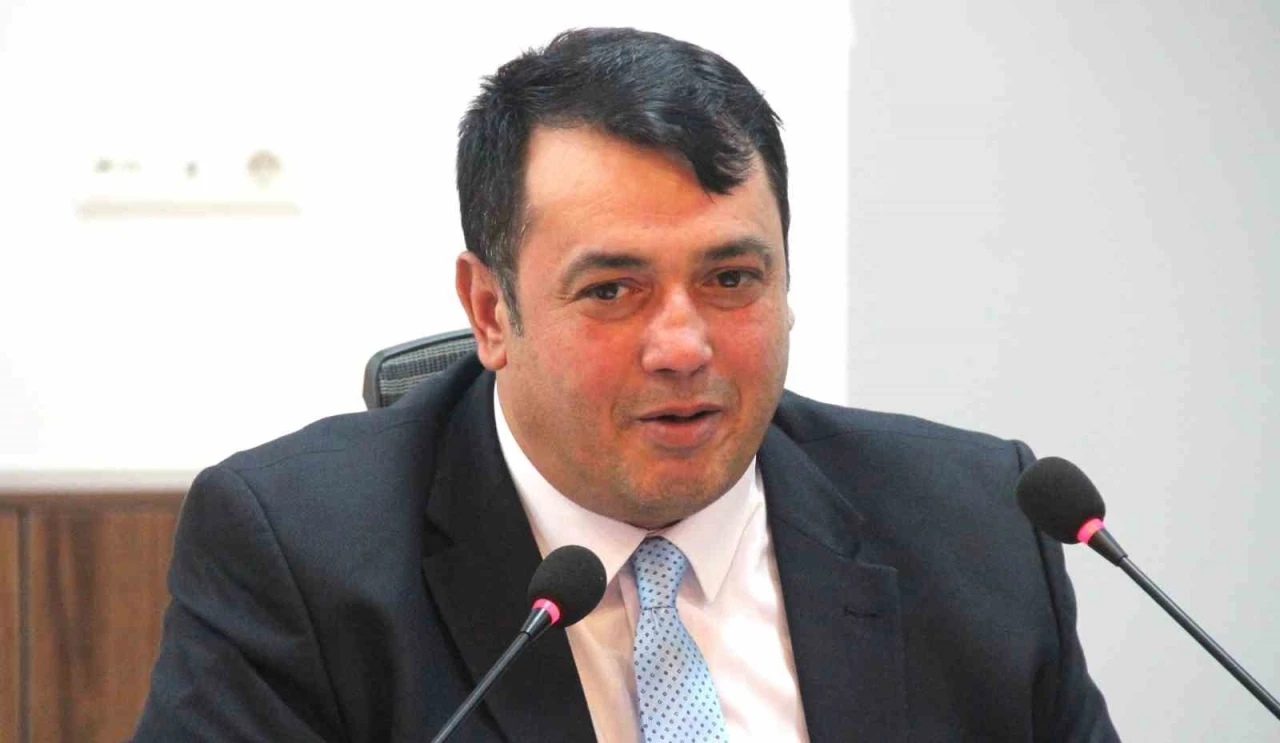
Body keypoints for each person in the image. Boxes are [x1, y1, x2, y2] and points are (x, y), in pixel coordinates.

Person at [133, 27, 1119, 742]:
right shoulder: (298, 555)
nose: (682, 346)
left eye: (731, 279)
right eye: (612, 290)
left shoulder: (976, 525)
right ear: (490, 310)